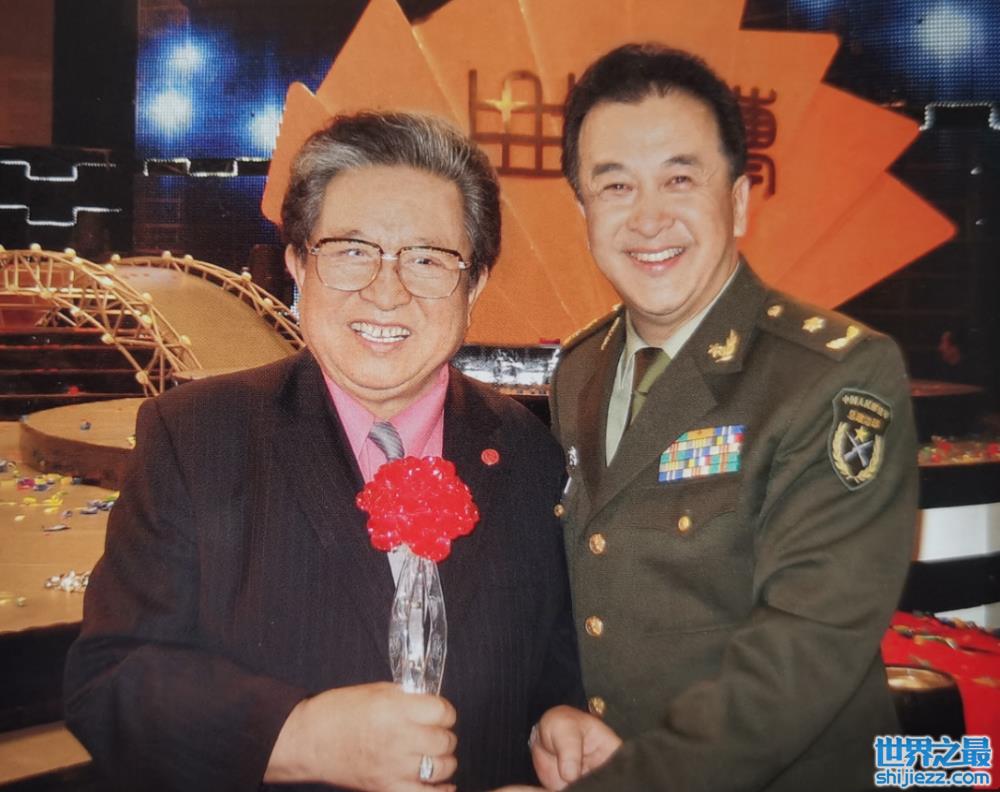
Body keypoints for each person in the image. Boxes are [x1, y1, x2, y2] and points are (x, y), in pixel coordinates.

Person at [64, 111, 583, 792]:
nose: (387, 290)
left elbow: (551, 669)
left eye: (428, 259)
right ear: (298, 265)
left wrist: (556, 724)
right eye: (351, 251)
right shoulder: (196, 436)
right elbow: (109, 680)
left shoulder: (531, 456)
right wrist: (295, 736)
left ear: (475, 284)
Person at [532, 44, 918, 791]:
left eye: (680, 179)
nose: (649, 218)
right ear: (584, 212)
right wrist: (556, 709)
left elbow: (802, 658)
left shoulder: (831, 376)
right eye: (616, 186)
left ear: (738, 200)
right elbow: (591, 588)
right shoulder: (581, 370)